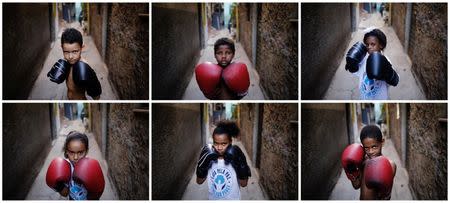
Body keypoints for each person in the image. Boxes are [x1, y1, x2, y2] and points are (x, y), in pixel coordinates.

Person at [196, 121, 251, 200]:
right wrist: (201, 166)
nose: (219, 147)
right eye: (216, 143)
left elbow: (244, 184)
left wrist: (241, 163)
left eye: (224, 144)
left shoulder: (235, 157)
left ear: (230, 142)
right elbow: (199, 181)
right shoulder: (209, 157)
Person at [341, 125, 397, 200]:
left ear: (382, 142)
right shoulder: (363, 162)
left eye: (374, 147)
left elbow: (387, 197)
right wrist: (352, 172)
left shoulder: (390, 165)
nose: (370, 152)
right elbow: (356, 186)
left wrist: (384, 193)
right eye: (366, 148)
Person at [46, 131, 105, 200]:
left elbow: (96, 194)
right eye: (71, 152)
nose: (76, 157)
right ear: (67, 151)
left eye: (80, 152)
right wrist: (60, 186)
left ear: (86, 151)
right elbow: (65, 193)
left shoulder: (92, 167)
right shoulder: (64, 168)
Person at [47, 28, 102, 100]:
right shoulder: (66, 63)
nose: (70, 57)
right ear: (62, 48)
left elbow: (96, 96)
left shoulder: (84, 67)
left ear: (82, 48)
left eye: (75, 51)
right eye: (66, 52)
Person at [345, 28, 399, 100]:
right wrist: (351, 65)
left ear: (381, 45)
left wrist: (388, 73)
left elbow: (394, 80)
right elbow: (356, 71)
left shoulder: (386, 61)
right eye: (367, 44)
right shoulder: (363, 59)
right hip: (363, 97)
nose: (369, 47)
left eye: (373, 44)